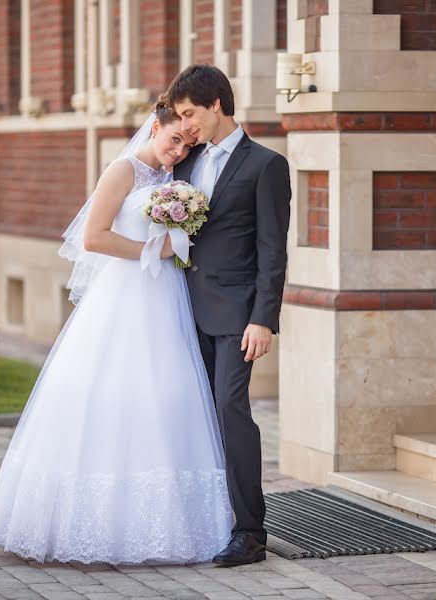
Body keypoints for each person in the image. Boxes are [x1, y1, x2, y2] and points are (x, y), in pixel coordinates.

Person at [0, 100, 233, 565]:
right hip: (125, 294)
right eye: (173, 138)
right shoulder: (123, 170)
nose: (179, 150)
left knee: (167, 392)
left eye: (187, 143)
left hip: (166, 299)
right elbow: (93, 236)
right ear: (154, 127)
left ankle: (168, 521)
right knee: (110, 388)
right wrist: (150, 251)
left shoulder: (174, 181)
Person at [167, 65, 291, 566]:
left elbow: (272, 251)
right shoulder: (185, 162)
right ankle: (208, 517)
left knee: (230, 411)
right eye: (179, 116)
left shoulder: (266, 165)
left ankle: (250, 532)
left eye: (191, 113)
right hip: (181, 312)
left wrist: (264, 318)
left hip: (238, 319)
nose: (187, 124)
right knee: (193, 416)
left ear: (217, 104)